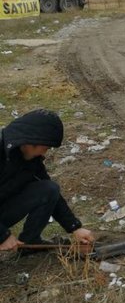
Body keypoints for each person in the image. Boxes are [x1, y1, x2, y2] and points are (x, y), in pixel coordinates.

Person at [0, 109, 95, 255]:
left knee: (49, 189)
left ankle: (29, 243)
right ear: (30, 142)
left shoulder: (31, 160)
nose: (44, 153)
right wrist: (3, 236)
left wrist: (74, 228)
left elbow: (51, 193)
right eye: (45, 148)